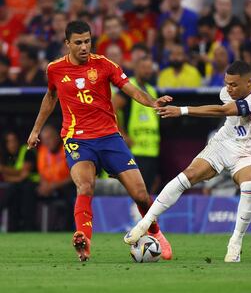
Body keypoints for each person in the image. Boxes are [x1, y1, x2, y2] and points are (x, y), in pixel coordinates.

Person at [26, 20, 173, 262]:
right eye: (78, 42)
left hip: (109, 138)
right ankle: (84, 241)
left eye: (87, 41)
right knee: (85, 186)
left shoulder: (104, 65)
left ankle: (157, 234)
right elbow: (50, 97)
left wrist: (151, 102)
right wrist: (35, 130)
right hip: (77, 139)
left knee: (140, 194)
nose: (84, 46)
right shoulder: (54, 69)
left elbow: (131, 89)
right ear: (67, 44)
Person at [124, 60, 251, 263]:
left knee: (249, 185)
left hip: (250, 150)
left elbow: (223, 111)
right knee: (187, 176)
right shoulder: (225, 93)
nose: (228, 89)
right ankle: (145, 222)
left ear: (249, 83)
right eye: (226, 83)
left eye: (234, 85)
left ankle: (235, 242)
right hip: (224, 142)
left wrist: (182, 110)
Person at [113, 56, 161, 194]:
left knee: (148, 192)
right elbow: (112, 107)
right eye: (144, 68)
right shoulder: (129, 87)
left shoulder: (151, 90)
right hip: (135, 151)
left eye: (150, 68)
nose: (147, 71)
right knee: (135, 193)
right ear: (136, 68)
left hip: (152, 150)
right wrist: (121, 134)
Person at [37, 124, 76, 230]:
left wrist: (54, 186)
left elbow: (75, 175)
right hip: (49, 185)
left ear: (57, 136)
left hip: (67, 185)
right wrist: (44, 185)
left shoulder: (68, 148)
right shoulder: (43, 150)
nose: (47, 142)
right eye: (44, 139)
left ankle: (65, 229)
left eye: (49, 138)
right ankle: (29, 227)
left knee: (71, 193)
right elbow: (42, 172)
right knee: (26, 190)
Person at [0, 131, 38, 231]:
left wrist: (3, 169)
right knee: (13, 193)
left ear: (18, 141)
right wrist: (14, 177)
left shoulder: (27, 151)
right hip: (17, 185)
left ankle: (28, 227)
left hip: (33, 184)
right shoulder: (6, 155)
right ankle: (13, 228)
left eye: (14, 141)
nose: (12, 144)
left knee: (21, 190)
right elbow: (6, 178)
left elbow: (24, 175)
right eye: (9, 142)